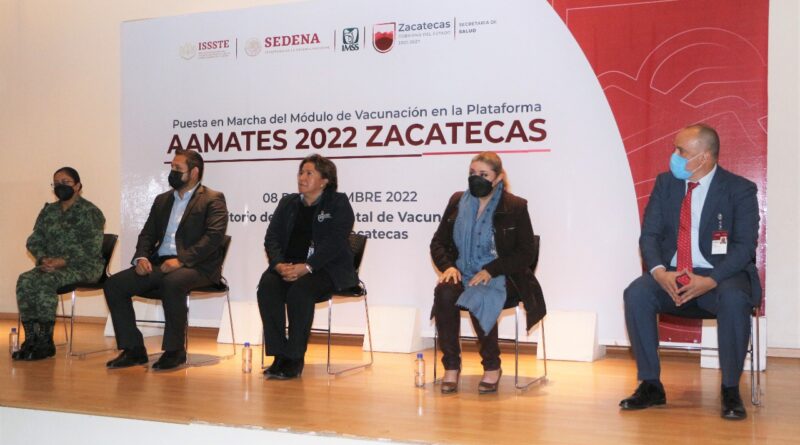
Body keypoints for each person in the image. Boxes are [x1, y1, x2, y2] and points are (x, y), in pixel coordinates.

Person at [620, 124, 761, 420]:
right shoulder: (666, 184)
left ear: (704, 157)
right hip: (672, 274)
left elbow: (744, 247)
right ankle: (650, 385)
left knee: (735, 299)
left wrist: (710, 280)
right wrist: (659, 272)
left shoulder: (740, 189)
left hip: (719, 276)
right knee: (637, 293)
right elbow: (649, 236)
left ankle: (730, 389)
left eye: (681, 151)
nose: (674, 155)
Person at [429, 151, 545, 394]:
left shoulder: (515, 206)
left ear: (498, 177)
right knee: (445, 292)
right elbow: (438, 242)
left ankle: (492, 365)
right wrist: (448, 266)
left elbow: (526, 253)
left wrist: (492, 269)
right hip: (462, 270)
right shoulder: (457, 201)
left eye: (483, 174)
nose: (476, 179)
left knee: (478, 293)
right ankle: (451, 366)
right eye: (472, 173)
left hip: (503, 275)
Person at [104, 149, 228, 370]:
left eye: (178, 168)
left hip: (198, 266)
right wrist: (141, 258)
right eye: (171, 167)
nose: (172, 172)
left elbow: (213, 238)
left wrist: (181, 260)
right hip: (161, 263)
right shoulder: (162, 200)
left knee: (173, 282)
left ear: (194, 172)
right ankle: (133, 349)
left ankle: (174, 351)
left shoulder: (212, 199)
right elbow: (147, 234)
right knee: (114, 284)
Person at [258, 154, 356, 380]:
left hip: (326, 269)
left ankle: (294, 358)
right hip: (288, 266)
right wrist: (278, 264)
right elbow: (271, 238)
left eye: (309, 173)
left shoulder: (338, 203)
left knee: (300, 291)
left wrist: (308, 266)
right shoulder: (288, 203)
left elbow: (335, 243)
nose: (302, 177)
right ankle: (279, 355)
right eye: (301, 172)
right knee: (267, 286)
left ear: (324, 180)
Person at [13, 167, 105, 361]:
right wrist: (43, 259)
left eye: (66, 182)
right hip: (51, 266)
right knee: (25, 280)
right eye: (56, 183)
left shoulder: (91, 212)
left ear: (78, 186)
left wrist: (62, 261)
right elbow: (34, 240)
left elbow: (91, 248)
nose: (60, 186)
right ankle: (31, 338)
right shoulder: (49, 211)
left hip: (84, 267)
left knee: (46, 281)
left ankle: (45, 342)